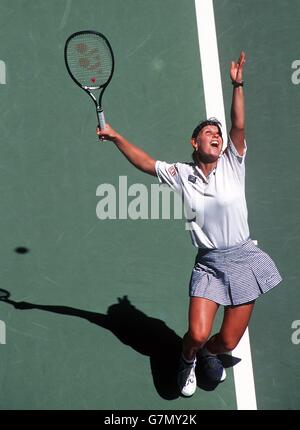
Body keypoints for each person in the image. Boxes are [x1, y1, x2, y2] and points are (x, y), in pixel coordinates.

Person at [96, 51, 282, 397]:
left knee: (226, 341)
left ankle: (209, 356)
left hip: (243, 259)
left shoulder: (232, 162)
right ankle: (188, 358)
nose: (216, 136)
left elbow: (238, 124)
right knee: (195, 334)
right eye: (208, 132)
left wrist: (237, 84)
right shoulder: (182, 174)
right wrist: (117, 137)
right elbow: (147, 163)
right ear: (194, 142)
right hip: (210, 264)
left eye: (218, 134)